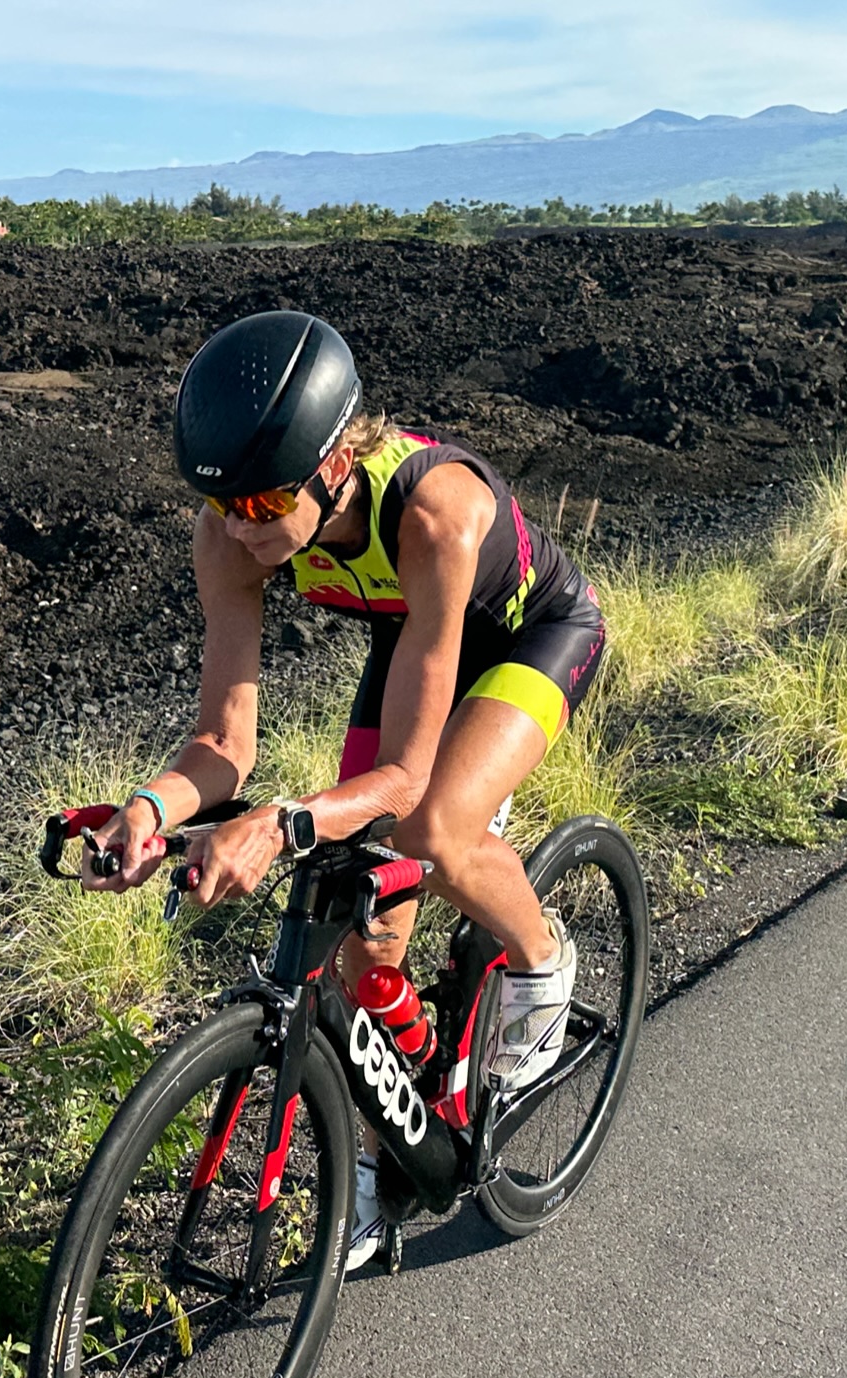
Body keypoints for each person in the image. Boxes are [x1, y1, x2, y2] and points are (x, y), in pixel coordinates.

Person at [82, 310, 605, 1268]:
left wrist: (277, 826)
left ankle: (541, 960)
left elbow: (403, 779)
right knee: (364, 947)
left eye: (256, 504)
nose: (236, 529)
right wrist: (148, 811)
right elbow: (222, 743)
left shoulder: (434, 512)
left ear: (333, 465)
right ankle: (382, 1162)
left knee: (433, 830)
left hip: (530, 636)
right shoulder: (227, 534)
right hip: (415, 640)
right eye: (218, 504)